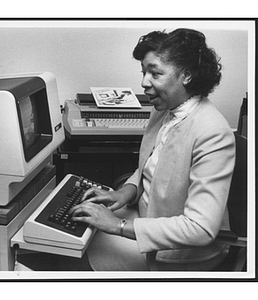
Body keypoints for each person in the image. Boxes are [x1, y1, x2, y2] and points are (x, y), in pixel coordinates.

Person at [71, 28, 236, 271]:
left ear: (187, 76)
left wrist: (118, 226)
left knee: (78, 253)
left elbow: (200, 229)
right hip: (147, 217)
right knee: (82, 232)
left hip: (181, 253)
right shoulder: (163, 108)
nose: (144, 82)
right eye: (144, 72)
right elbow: (150, 165)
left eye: (155, 73)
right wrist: (125, 192)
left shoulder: (212, 132)